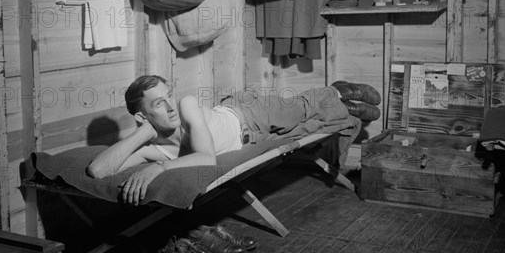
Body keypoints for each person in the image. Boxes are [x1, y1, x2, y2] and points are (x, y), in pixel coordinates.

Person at [86, 75, 381, 206]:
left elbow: (206, 157)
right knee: (309, 124)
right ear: (141, 116)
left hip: (249, 112)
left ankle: (338, 91)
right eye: (159, 104)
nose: (171, 106)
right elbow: (99, 170)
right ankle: (343, 104)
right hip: (253, 138)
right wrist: (143, 133)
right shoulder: (152, 147)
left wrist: (159, 167)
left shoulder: (187, 105)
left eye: (168, 96)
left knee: (302, 108)